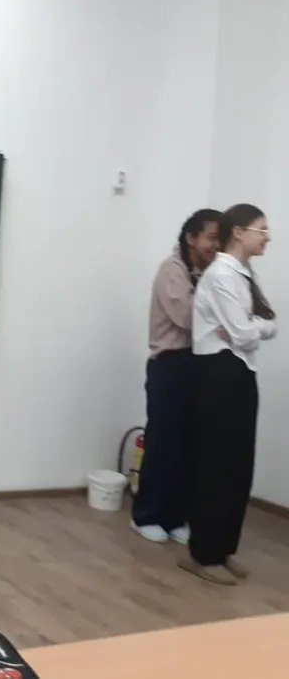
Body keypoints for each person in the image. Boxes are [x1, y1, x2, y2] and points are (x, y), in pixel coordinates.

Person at [181, 204, 276, 586]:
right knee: (217, 465)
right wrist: (254, 327)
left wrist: (255, 327)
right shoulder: (221, 275)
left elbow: (269, 322)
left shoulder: (243, 273)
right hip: (219, 373)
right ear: (238, 232)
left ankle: (222, 549)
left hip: (240, 372)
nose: (267, 237)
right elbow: (242, 333)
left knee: (238, 465)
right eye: (261, 230)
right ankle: (204, 555)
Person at [131, 209, 222, 545]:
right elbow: (188, 318)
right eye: (212, 237)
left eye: (220, 239)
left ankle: (174, 517)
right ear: (191, 238)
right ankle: (146, 515)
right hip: (170, 365)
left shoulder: (208, 272)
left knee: (190, 445)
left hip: (198, 366)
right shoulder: (172, 270)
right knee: (163, 442)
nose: (216, 245)